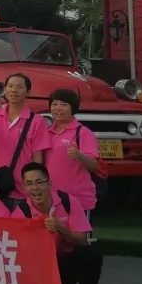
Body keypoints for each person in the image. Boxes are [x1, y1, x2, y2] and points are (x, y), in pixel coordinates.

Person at [13, 162, 104, 284]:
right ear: (24, 188)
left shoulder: (68, 201)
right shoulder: (21, 211)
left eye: (39, 182)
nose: (35, 188)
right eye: (29, 183)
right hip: (39, 269)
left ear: (49, 183)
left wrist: (60, 228)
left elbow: (82, 240)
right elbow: (15, 250)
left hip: (64, 262)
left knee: (92, 252)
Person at [0, 73, 51, 203]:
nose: (14, 90)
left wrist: (35, 183)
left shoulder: (36, 121)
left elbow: (37, 156)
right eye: (10, 86)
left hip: (24, 189)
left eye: (19, 87)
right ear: (5, 89)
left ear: (28, 92)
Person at [44, 88, 102, 216]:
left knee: (79, 230)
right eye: (54, 104)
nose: (58, 108)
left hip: (77, 199)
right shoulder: (45, 131)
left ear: (73, 108)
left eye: (64, 105)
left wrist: (80, 155)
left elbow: (94, 166)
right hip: (50, 198)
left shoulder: (83, 132)